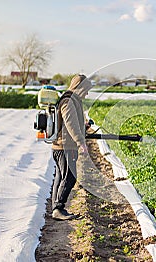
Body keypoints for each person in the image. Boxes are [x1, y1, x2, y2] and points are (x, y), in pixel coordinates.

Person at [51, 74, 92, 220]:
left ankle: (56, 208)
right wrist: (81, 142)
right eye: (86, 90)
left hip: (60, 146)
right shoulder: (68, 101)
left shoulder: (71, 100)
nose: (87, 93)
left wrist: (84, 127)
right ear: (79, 87)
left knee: (61, 176)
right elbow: (71, 124)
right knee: (70, 176)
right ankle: (58, 208)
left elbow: (73, 123)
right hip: (65, 146)